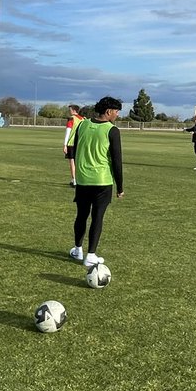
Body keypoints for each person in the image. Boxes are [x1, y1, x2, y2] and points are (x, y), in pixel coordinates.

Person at [67, 95, 124, 268]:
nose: (117, 116)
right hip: (102, 180)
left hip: (83, 179)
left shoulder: (82, 124)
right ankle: (91, 254)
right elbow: (116, 161)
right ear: (108, 111)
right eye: (116, 112)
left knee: (82, 215)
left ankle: (78, 249)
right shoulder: (111, 130)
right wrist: (120, 187)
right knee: (97, 216)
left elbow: (74, 149)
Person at [63, 104, 84, 186]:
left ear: (74, 110)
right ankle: (78, 180)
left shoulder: (71, 119)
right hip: (80, 143)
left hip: (71, 143)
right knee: (78, 162)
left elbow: (68, 132)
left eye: (70, 110)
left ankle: (74, 180)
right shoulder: (83, 119)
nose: (69, 111)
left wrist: (64, 145)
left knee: (72, 162)